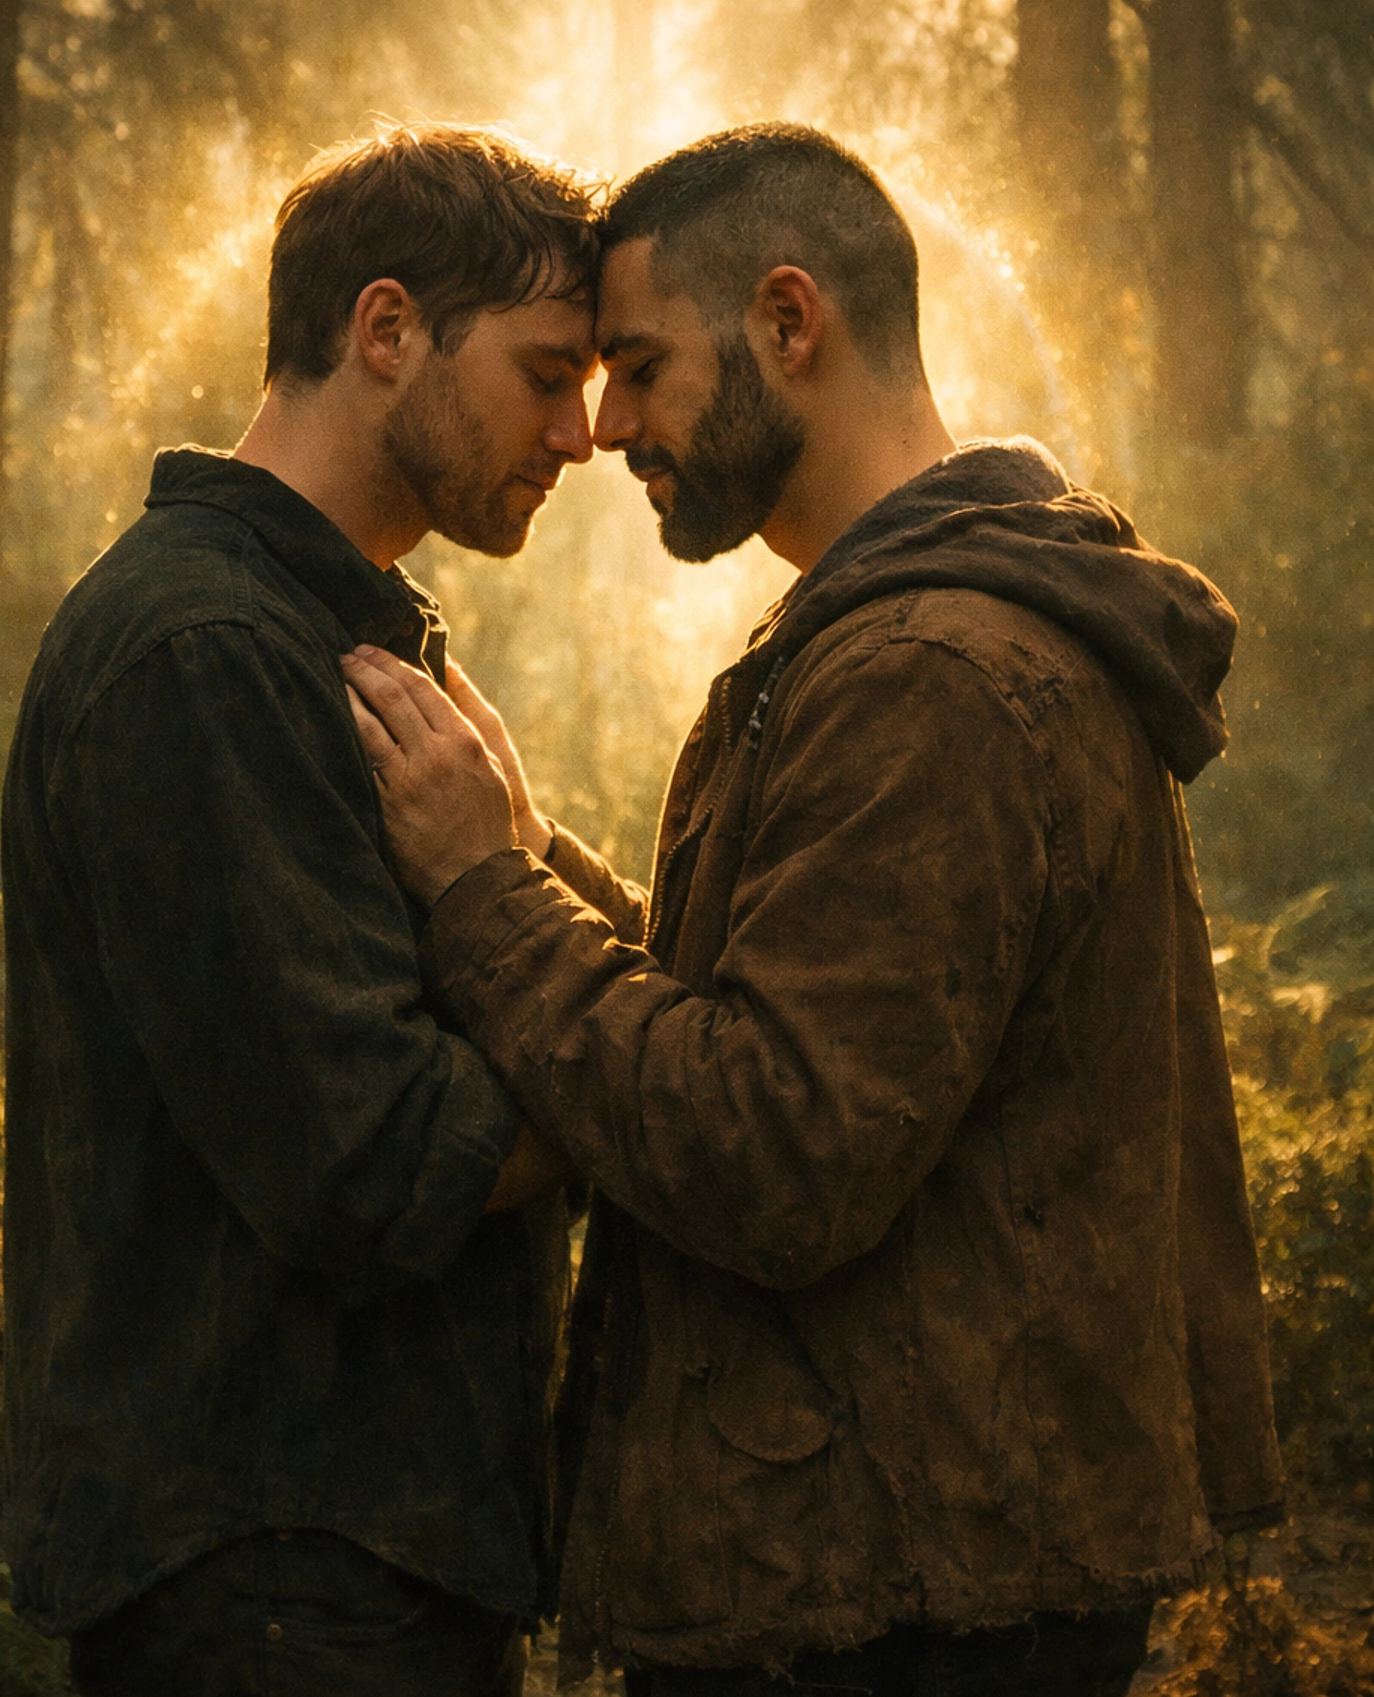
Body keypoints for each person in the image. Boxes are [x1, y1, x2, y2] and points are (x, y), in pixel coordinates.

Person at [344, 122, 1285, 1697]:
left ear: (791, 323)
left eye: (639, 364)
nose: (607, 425)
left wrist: (485, 903)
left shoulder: (933, 677)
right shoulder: (896, 641)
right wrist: (533, 858)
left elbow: (774, 1147)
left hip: (908, 1603)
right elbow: (800, 1016)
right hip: (904, 1571)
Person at [0, 125, 597, 1696]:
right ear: (385, 329)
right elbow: (376, 1161)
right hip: (272, 1579)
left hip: (352, 1564)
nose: (584, 432)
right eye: (547, 373)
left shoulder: (331, 643)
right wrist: (637, 1078)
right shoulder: (202, 651)